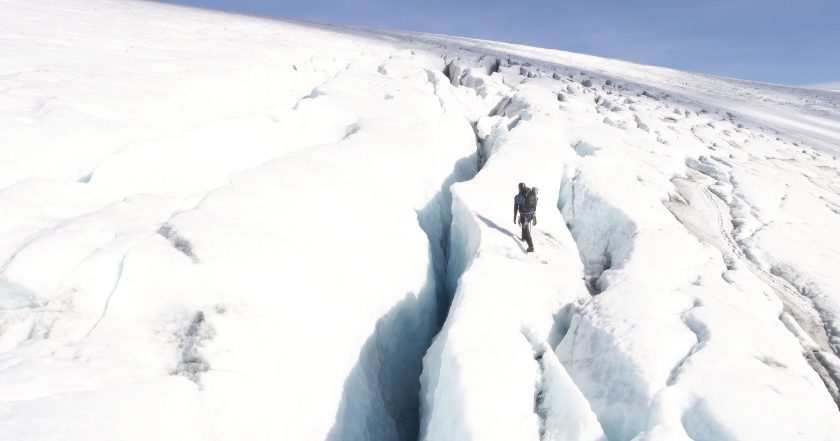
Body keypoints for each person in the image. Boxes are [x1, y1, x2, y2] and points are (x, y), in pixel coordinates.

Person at [513, 182, 538, 252]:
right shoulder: (531, 193)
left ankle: (531, 246)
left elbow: (515, 208)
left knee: (526, 230)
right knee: (523, 225)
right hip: (531, 214)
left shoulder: (518, 196)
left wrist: (514, 218)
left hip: (524, 215)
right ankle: (523, 237)